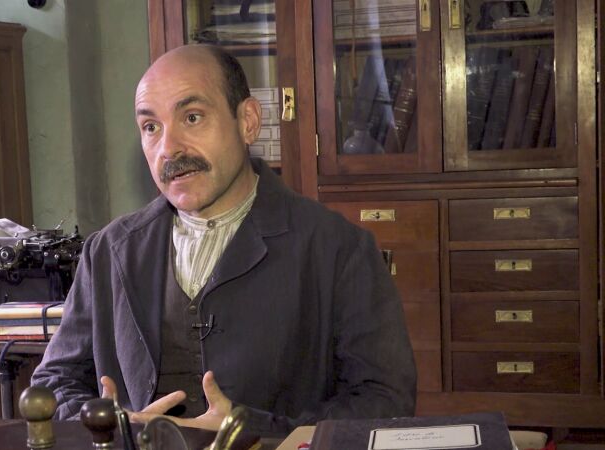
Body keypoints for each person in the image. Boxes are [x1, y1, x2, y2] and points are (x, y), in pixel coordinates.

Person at [31, 44, 416, 434]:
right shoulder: (108, 251)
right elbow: (53, 383)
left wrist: (253, 430)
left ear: (248, 121)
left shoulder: (338, 248)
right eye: (151, 127)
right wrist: (110, 426)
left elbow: (385, 399)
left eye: (192, 117)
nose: (169, 148)